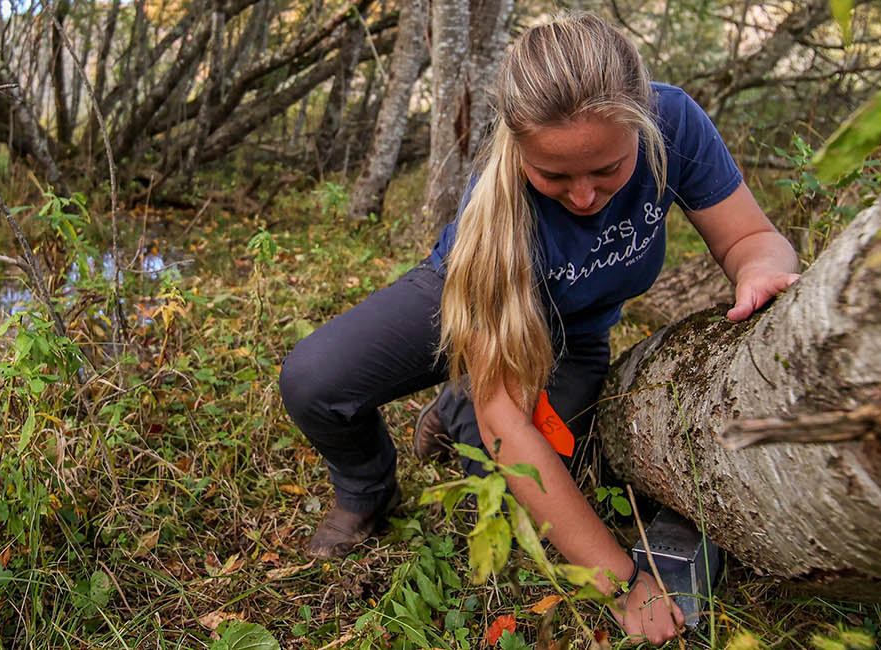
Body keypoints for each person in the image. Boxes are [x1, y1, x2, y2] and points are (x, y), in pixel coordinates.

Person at [277, 12, 801, 643]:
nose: (583, 196)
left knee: (502, 489)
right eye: (555, 176)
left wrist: (761, 271)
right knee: (316, 379)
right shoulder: (497, 219)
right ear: (519, 144)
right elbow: (508, 425)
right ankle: (366, 490)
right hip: (467, 297)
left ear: (641, 123)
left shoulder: (674, 122)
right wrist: (618, 580)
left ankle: (454, 407)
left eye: (607, 170)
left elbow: (750, 237)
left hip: (572, 333)